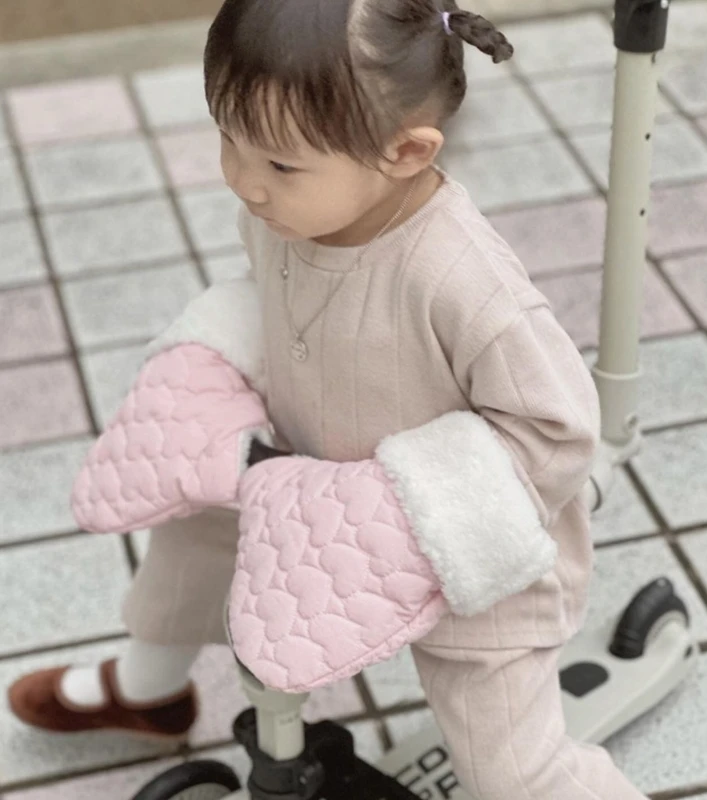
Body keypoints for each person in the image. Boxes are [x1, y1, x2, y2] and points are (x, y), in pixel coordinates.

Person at [9, 0, 646, 796]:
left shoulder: (461, 280)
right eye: (228, 140)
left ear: (405, 152)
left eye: (278, 165)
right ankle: (150, 684)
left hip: (458, 553)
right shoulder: (298, 210)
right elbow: (276, 301)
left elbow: (555, 427)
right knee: (193, 516)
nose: (245, 182)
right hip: (302, 479)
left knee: (512, 769)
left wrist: (401, 511)